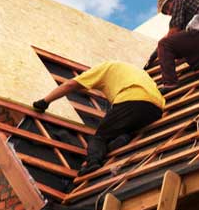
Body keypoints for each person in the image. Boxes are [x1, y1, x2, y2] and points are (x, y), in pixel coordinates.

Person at [32, 61, 165, 176]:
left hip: (132, 99)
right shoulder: (131, 71)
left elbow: (70, 85)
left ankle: (93, 162)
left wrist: (45, 101)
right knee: (121, 127)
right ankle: (121, 139)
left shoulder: (103, 68)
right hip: (156, 109)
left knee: (99, 137)